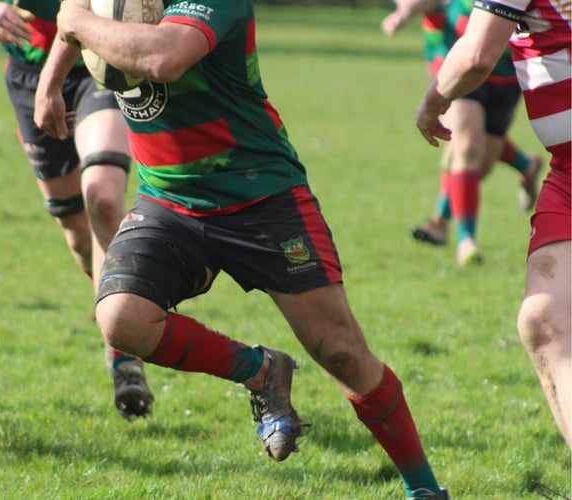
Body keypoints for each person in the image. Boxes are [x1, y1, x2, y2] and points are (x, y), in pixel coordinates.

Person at [35, 1, 449, 498]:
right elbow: (78, 10)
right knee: (121, 318)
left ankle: (424, 489)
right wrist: (50, 79)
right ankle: (262, 371)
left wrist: (75, 25)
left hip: (261, 197)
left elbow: (162, 57)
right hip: (170, 199)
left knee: (341, 351)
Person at [0, 0, 153, 420]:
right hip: (30, 71)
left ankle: (121, 347)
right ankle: (116, 306)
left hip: (99, 63)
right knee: (78, 234)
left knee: (102, 194)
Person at [415, 0, 570, 448]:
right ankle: (459, 233)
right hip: (566, 169)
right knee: (544, 320)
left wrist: (430, 103)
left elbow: (477, 52)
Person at [382, 0, 543, 265]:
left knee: (480, 162)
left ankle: (525, 165)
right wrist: (403, 14)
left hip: (507, 76)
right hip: (460, 69)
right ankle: (465, 240)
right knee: (466, 146)